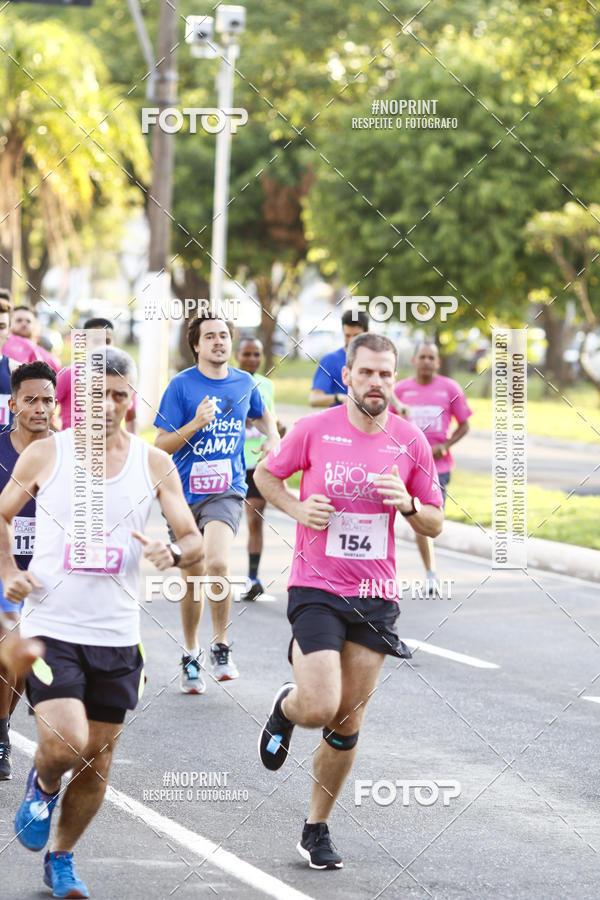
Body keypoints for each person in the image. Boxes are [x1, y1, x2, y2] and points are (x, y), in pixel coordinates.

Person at [0, 347, 203, 899]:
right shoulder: (46, 455)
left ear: (131, 399)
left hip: (116, 635)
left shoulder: (152, 463)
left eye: (119, 395)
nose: (109, 405)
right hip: (51, 628)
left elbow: (192, 537)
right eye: (98, 395)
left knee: (97, 754)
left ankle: (61, 857)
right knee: (67, 742)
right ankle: (41, 782)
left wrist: (174, 552)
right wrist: (8, 572)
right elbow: (1, 512)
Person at [254, 333, 444, 870]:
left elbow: (435, 519)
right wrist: (295, 507)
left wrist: (407, 504)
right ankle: (287, 707)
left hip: (375, 594)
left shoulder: (411, 442)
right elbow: (266, 474)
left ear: (394, 377)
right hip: (316, 586)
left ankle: (316, 827)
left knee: (346, 722)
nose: (377, 383)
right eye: (367, 373)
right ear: (349, 375)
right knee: (318, 707)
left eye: (386, 374)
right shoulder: (314, 430)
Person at [155, 315, 279, 691]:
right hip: (183, 493)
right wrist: (195, 424)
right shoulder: (180, 386)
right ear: (196, 345)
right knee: (192, 575)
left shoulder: (245, 382)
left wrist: (272, 437)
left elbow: (262, 416)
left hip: (226, 490)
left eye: (224, 336)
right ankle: (191, 653)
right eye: (210, 337)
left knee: (219, 562)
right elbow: (160, 446)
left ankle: (220, 645)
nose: (219, 342)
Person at [0, 361, 57, 781]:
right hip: (3, 570)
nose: (40, 408)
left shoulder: (67, 454)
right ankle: (1, 736)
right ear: (13, 403)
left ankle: (1, 723)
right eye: (31, 399)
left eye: (48, 400)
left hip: (46, 576)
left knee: (18, 667)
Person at [391, 341, 472, 596]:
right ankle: (429, 574)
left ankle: (429, 571)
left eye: (431, 357)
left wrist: (446, 445)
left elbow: (464, 425)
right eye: (422, 356)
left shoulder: (450, 388)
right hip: (407, 465)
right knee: (410, 517)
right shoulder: (400, 390)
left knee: (429, 520)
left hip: (439, 467)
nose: (426, 361)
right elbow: (387, 423)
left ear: (438, 362)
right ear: (413, 361)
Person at [235, 336, 285, 602]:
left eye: (257, 354)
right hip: (230, 461)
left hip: (258, 463)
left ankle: (253, 578)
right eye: (247, 354)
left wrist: (277, 430)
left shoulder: (267, 385)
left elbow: (270, 421)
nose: (252, 359)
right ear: (237, 355)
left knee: (255, 519)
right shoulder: (227, 381)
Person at [56, 319, 138, 434]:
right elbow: (45, 408)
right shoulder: (68, 375)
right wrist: (58, 437)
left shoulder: (123, 378)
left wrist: (132, 446)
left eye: (107, 341)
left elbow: (131, 418)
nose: (103, 346)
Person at [309, 309, 368, 407]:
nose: (352, 340)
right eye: (347, 335)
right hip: (340, 420)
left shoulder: (375, 359)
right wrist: (339, 398)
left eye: (357, 335)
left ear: (367, 333)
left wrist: (398, 405)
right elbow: (314, 399)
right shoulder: (330, 360)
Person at [10, 305, 61, 372]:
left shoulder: (48, 359)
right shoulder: (2, 348)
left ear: (34, 325)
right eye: (19, 320)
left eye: (28, 321)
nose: (24, 323)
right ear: (9, 324)